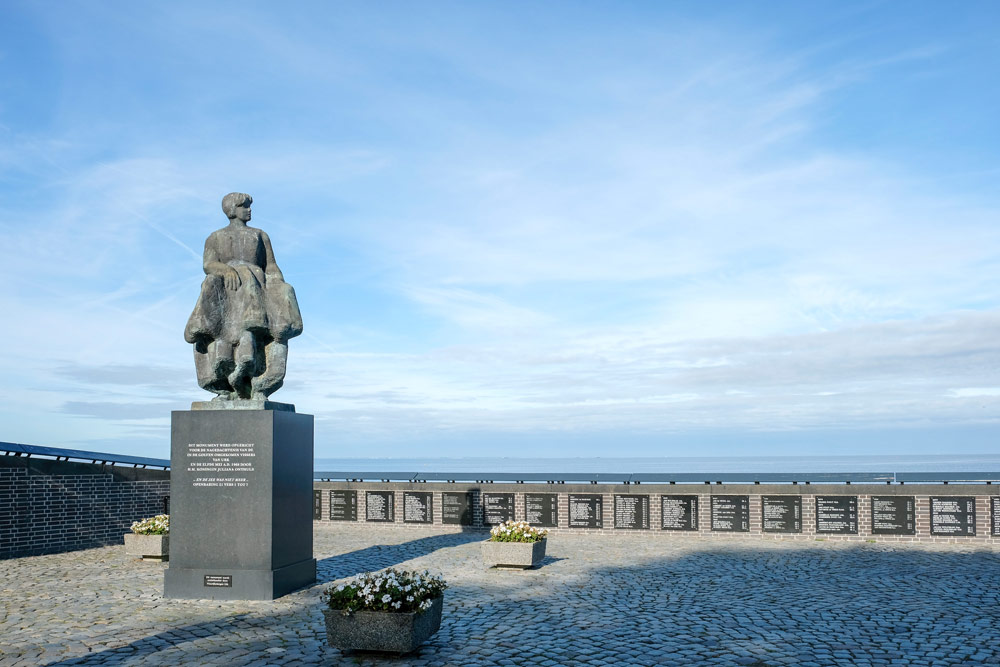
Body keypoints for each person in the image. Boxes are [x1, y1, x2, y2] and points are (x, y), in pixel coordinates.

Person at [184, 193, 303, 400]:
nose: (249, 210)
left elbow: (271, 266)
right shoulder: (215, 237)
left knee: (269, 286)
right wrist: (226, 270)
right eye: (243, 206)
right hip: (225, 287)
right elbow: (208, 264)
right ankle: (223, 357)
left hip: (256, 286)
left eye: (248, 206)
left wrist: (278, 284)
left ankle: (253, 367)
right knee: (213, 284)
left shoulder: (260, 235)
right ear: (231, 210)